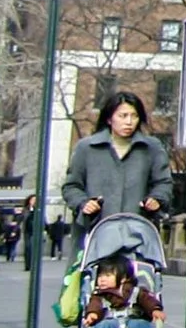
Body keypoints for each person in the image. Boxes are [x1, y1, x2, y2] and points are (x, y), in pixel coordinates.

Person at [63, 92, 170, 228]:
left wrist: (157, 199)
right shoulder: (86, 147)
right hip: (95, 229)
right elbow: (71, 186)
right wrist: (83, 203)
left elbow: (163, 183)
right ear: (109, 119)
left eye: (134, 116)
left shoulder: (152, 148)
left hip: (138, 229)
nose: (129, 122)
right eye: (123, 116)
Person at [80, 255, 163, 328]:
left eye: (108, 276)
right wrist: (92, 314)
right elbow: (95, 305)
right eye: (100, 276)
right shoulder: (99, 295)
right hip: (110, 321)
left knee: (142, 325)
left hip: (132, 318)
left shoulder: (136, 291)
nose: (102, 279)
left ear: (123, 278)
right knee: (101, 327)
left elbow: (148, 300)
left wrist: (155, 309)